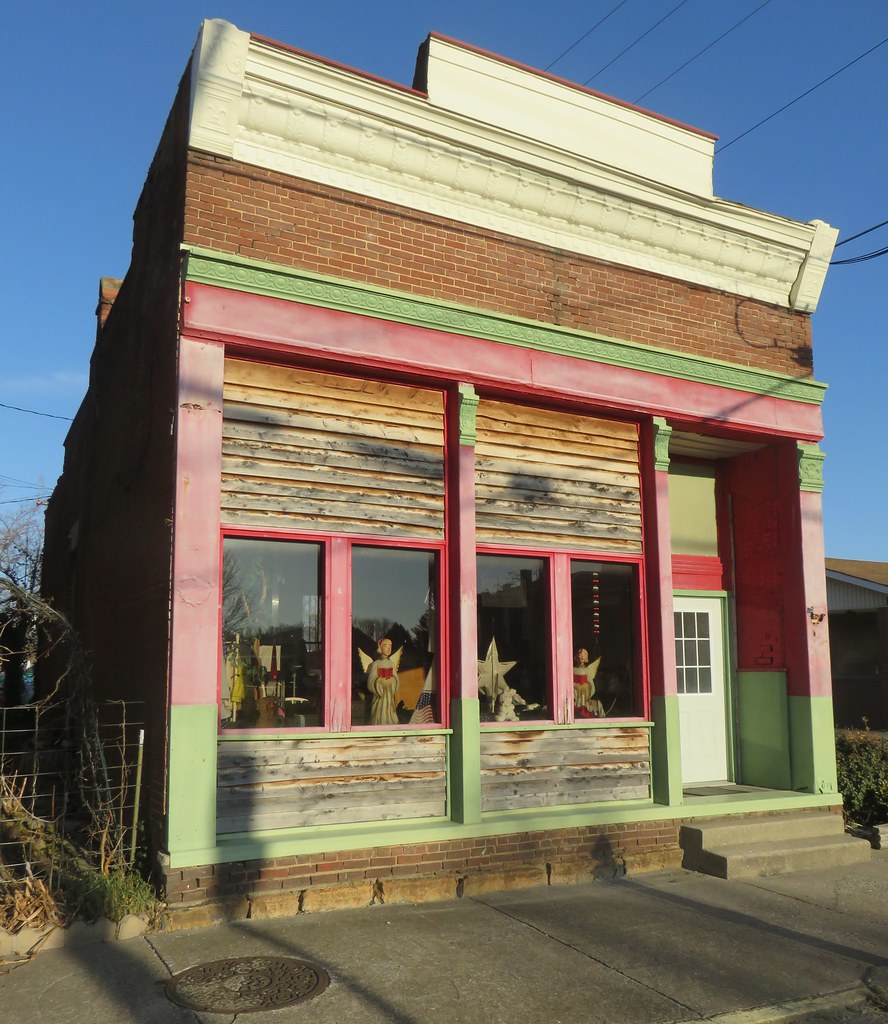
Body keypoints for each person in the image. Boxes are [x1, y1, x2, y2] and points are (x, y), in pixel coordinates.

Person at [367, 637, 400, 725]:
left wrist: (392, 680)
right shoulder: (376, 664)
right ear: (380, 648)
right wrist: (379, 680)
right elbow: (371, 680)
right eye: (385, 645)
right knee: (380, 712)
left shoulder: (391, 663)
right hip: (380, 694)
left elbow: (396, 678)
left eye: (390, 646)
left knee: (389, 710)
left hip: (389, 693)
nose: (389, 648)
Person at [573, 647, 605, 718]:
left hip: (585, 696)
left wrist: (588, 691)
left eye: (584, 654)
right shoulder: (572, 670)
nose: (582, 657)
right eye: (580, 654)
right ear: (576, 656)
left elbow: (591, 684)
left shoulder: (587, 670)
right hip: (576, 695)